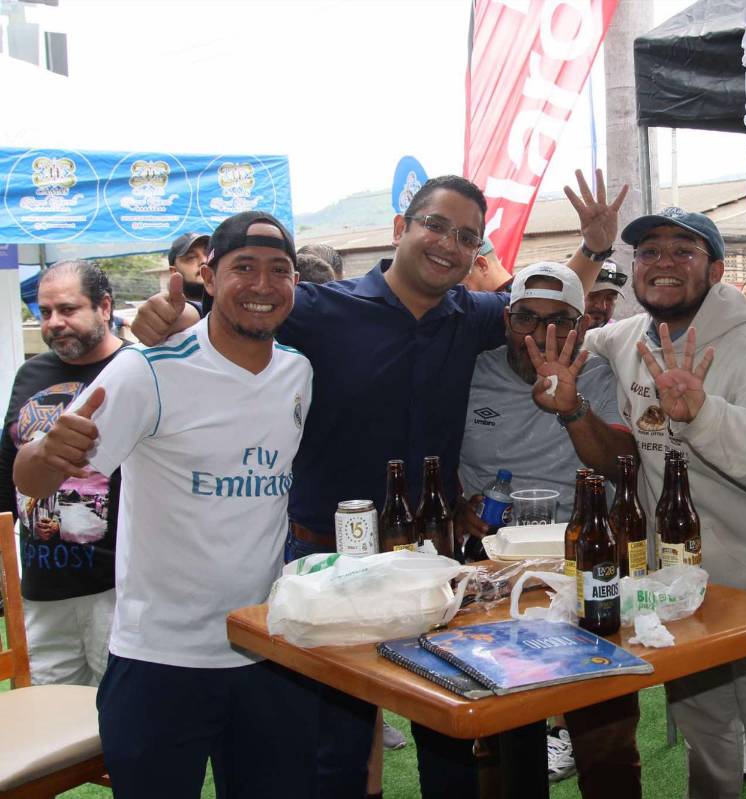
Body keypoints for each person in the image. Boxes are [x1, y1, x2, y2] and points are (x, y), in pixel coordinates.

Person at [131, 168, 627, 798]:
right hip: (330, 557)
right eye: (436, 225)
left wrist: (593, 247)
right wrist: (171, 318)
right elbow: (244, 309)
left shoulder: (473, 315)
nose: (449, 243)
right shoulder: (317, 307)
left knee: (450, 735)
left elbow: (542, 313)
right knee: (334, 742)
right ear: (402, 228)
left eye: (467, 236)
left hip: (435, 560)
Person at [15, 211, 318, 798]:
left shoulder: (298, 373)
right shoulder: (146, 370)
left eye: (279, 270)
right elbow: (31, 480)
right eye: (244, 268)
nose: (262, 285)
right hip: (160, 659)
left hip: (265, 648)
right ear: (208, 274)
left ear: (295, 284)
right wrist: (47, 447)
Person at [580, 206, 746, 799]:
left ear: (715, 269)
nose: (662, 263)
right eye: (649, 252)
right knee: (706, 733)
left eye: (682, 251)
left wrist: (705, 414)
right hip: (683, 582)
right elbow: (564, 331)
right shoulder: (627, 336)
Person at [456, 261, 638, 796]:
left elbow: (621, 465)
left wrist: (573, 408)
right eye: (526, 318)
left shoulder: (599, 377)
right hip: (491, 569)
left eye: (558, 320)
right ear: (506, 318)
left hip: (580, 566)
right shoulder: (471, 372)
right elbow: (430, 451)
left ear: (582, 325)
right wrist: (455, 503)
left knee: (605, 738)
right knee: (499, 734)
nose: (540, 334)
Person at [0, 261, 124, 687]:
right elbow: (6, 467)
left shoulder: (136, 370)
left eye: (68, 310)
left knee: (117, 724)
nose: (54, 323)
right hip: (42, 590)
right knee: (51, 727)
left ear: (104, 307)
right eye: (44, 312)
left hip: (117, 590)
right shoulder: (31, 374)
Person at [167, 231, 210, 303]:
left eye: (208, 253)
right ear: (174, 271)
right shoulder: (168, 312)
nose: (204, 261)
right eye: (191, 257)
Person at [583, 261, 626, 330]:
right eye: (593, 296)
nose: (602, 307)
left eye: (609, 298)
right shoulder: (560, 333)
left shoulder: (618, 335)